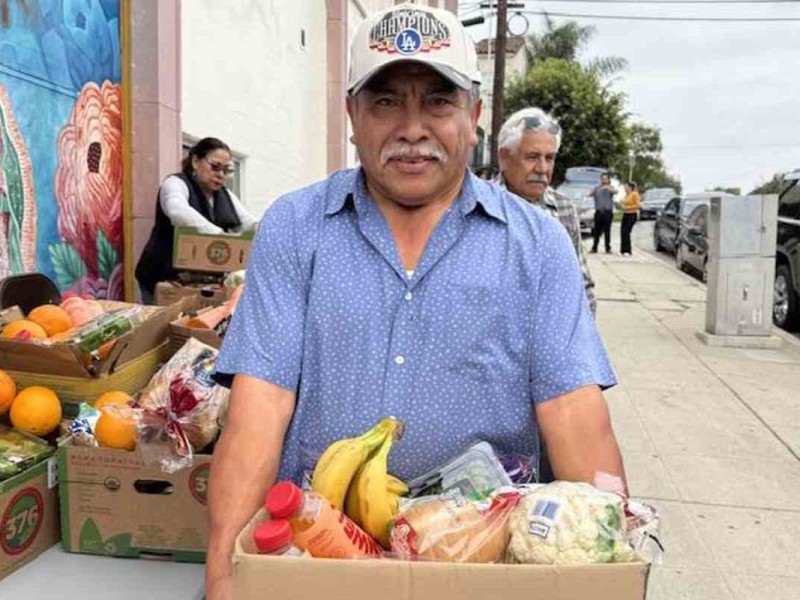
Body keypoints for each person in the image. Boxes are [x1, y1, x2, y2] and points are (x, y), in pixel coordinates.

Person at [205, 5, 625, 599]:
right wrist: (224, 574)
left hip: (482, 562)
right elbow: (259, 409)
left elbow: (575, 417)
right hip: (316, 554)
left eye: (437, 101)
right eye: (385, 102)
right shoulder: (296, 229)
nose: (412, 127)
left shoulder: (537, 246)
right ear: (352, 115)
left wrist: (610, 560)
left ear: (474, 116)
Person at [496, 107, 597, 315]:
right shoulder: (478, 205)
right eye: (532, 157)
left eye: (549, 158)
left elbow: (581, 285)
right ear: (505, 157)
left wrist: (582, 338)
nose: (542, 168)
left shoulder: (564, 209)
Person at [134, 137, 258, 303]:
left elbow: (248, 223)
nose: (220, 175)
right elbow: (178, 211)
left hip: (204, 283)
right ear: (195, 161)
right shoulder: (175, 184)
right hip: (163, 276)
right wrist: (220, 236)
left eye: (226, 170)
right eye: (215, 167)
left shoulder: (226, 196)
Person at [590, 173, 617, 254]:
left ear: (608, 180)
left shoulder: (610, 188)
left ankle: (608, 248)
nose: (604, 180)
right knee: (596, 231)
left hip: (607, 212)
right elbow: (589, 194)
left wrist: (608, 188)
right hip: (598, 212)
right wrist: (593, 192)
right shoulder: (597, 188)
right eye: (602, 178)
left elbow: (616, 191)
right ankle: (594, 247)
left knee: (607, 231)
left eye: (605, 179)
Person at [620, 182, 641, 256]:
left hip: (632, 214)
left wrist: (627, 207)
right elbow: (623, 202)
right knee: (623, 231)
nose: (625, 189)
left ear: (630, 188)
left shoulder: (634, 194)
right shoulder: (626, 195)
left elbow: (638, 205)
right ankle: (623, 250)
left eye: (626, 188)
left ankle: (628, 250)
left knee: (627, 232)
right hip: (625, 214)